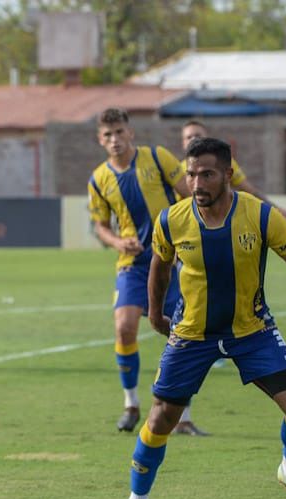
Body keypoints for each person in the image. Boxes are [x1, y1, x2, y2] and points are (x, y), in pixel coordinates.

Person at [111, 137, 286, 499]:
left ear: (228, 174)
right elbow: (160, 265)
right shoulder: (172, 220)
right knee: (161, 418)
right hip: (193, 334)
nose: (196, 183)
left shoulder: (260, 216)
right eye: (191, 175)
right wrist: (156, 313)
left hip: (253, 331)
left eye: (206, 174)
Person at [88, 108, 207, 436]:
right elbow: (99, 226)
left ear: (131, 133)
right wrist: (117, 241)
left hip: (171, 263)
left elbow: (191, 196)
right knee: (124, 328)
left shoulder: (158, 159)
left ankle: (182, 417)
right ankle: (131, 404)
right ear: (100, 140)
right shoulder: (99, 179)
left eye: (119, 132)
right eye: (108, 135)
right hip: (133, 267)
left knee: (182, 335)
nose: (115, 139)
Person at [180, 120, 286, 227]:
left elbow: (250, 191)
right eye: (189, 137)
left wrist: (278, 210)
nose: (194, 139)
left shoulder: (224, 164)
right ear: (183, 143)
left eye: (198, 135)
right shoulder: (176, 170)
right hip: (188, 226)